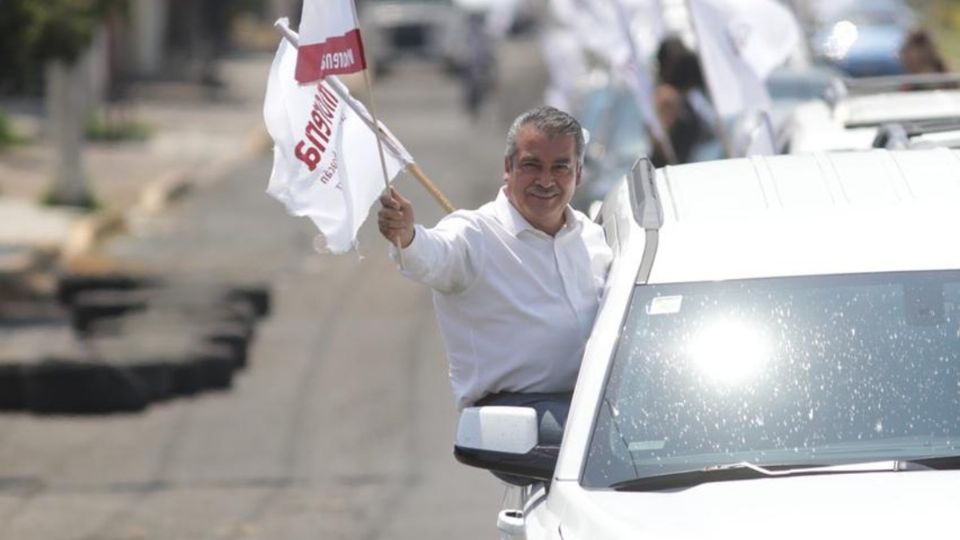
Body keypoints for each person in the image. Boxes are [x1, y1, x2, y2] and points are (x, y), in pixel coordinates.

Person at [377, 106, 613, 446]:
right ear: (508, 168)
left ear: (578, 174)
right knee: (600, 447)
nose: (546, 181)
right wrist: (407, 236)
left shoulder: (593, 237)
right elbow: (432, 255)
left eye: (560, 168)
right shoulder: (474, 234)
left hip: (593, 402)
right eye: (532, 165)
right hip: (518, 412)